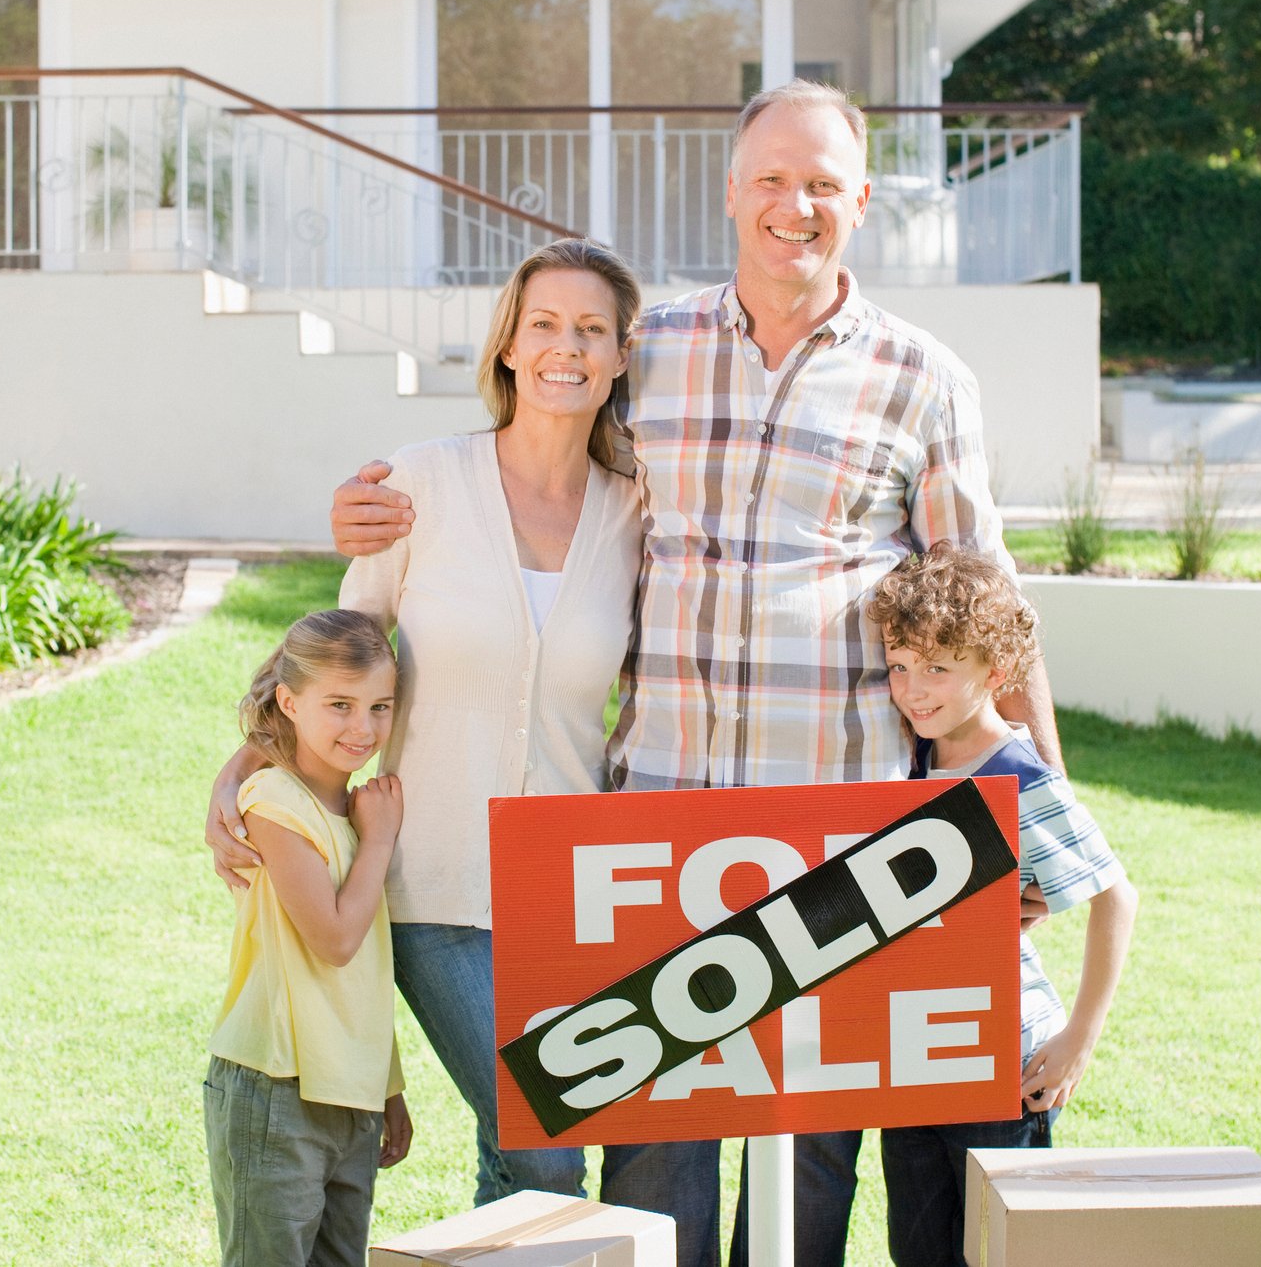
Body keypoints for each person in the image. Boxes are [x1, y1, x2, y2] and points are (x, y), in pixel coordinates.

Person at [329, 80, 1061, 1267]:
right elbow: (530, 466)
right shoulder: (649, 351)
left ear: (862, 201)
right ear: (730, 192)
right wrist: (377, 508)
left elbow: (994, 619)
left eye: (823, 183)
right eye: (771, 178)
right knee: (650, 1148)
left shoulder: (925, 378)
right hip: (653, 837)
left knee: (806, 1156)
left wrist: (1037, 818)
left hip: (836, 843)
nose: (795, 205)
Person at [208, 239, 723, 1267]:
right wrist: (242, 767)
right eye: (543, 324)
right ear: (508, 343)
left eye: (590, 330)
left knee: (542, 1140)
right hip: (428, 885)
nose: (564, 348)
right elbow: (330, 668)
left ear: (620, 357)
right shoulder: (417, 484)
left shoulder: (641, 512)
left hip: (575, 891)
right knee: (539, 1136)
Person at [867, 544, 1138, 1267]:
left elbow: (1117, 897)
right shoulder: (915, 759)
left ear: (997, 672)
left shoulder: (1017, 774)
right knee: (919, 1252)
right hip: (919, 1062)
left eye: (938, 668)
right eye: (899, 665)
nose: (913, 689)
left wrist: (1080, 1035)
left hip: (1002, 1065)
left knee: (1001, 1252)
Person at [205, 608, 412, 1267]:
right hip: (276, 1089)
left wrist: (389, 1086)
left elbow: (364, 973)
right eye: (341, 705)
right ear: (290, 702)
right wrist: (380, 839)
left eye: (380, 707)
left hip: (350, 1093)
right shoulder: (272, 802)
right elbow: (334, 941)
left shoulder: (351, 816)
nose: (364, 727)